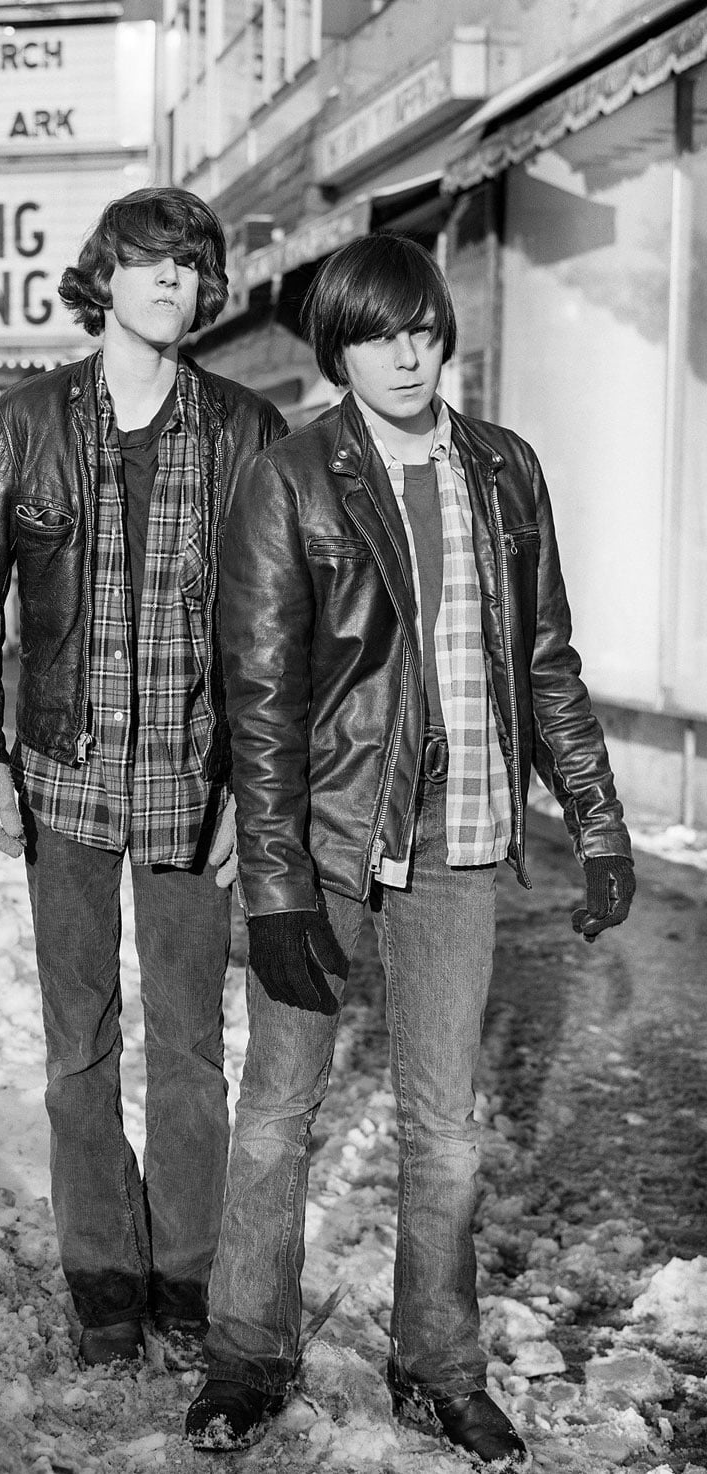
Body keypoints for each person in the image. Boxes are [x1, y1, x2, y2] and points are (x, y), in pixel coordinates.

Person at [184, 232, 634, 1463]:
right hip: (328, 838)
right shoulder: (293, 476)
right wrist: (274, 890)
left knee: (448, 1125)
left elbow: (545, 656)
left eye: (425, 329)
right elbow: (260, 698)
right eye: (382, 334)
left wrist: (596, 816)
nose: (410, 351)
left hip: (464, 834)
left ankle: (437, 1362)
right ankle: (246, 1353)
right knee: (280, 1108)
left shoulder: (502, 468)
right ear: (338, 348)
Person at [0, 187, 287, 1367]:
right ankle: (102, 1282)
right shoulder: (29, 419)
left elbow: (275, 629)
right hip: (62, 779)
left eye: (192, 268)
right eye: (150, 265)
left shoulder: (245, 426)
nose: (173, 286)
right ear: (107, 277)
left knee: (191, 1050)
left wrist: (259, 786)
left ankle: (187, 1281)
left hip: (196, 782)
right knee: (76, 1047)